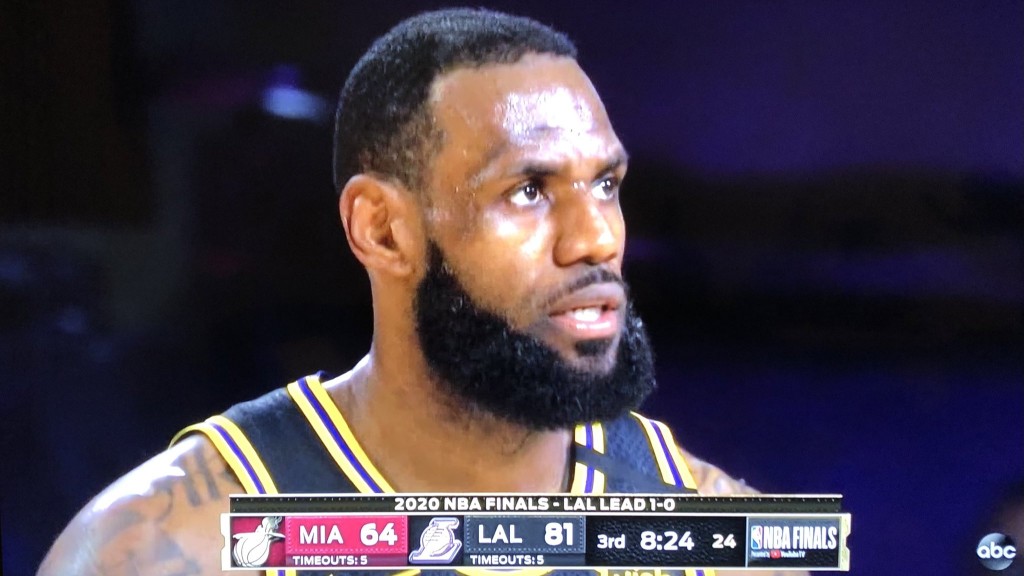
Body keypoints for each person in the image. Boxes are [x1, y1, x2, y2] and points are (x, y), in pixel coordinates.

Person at [39, 8, 810, 576]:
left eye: (605, 184)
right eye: (529, 190)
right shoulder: (166, 547)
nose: (596, 238)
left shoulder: (720, 542)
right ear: (382, 230)